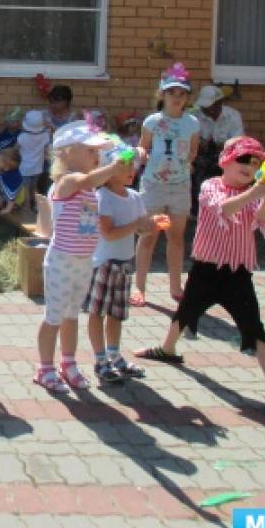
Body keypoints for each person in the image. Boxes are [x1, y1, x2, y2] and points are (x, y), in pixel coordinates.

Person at [136, 136, 265, 417]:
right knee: (185, 312)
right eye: (244, 159)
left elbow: (263, 217)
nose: (250, 166)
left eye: (257, 162)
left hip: (237, 273)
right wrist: (257, 192)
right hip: (206, 268)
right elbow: (224, 209)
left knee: (255, 328)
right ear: (226, 161)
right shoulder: (211, 186)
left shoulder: (255, 190)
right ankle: (167, 349)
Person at [33, 121, 124, 393]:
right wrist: (112, 168)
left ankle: (68, 363)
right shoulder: (68, 181)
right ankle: (45, 367)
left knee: (72, 315)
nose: (97, 156)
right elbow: (87, 179)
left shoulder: (91, 190)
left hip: (83, 261)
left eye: (98, 151)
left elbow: (94, 182)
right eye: (91, 150)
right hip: (61, 260)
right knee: (54, 316)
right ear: (66, 153)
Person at [86, 138, 161, 384]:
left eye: (134, 166)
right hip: (105, 264)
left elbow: (140, 230)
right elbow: (108, 232)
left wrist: (151, 226)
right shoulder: (103, 197)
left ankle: (115, 355)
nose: (132, 171)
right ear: (110, 170)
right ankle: (100, 360)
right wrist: (137, 225)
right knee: (97, 313)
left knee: (116, 314)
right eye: (125, 166)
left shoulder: (134, 196)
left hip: (124, 263)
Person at [132, 63, 199, 306]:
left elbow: (193, 151)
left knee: (176, 237)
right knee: (148, 235)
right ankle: (139, 286)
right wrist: (138, 156)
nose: (177, 98)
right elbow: (144, 146)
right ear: (162, 94)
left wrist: (181, 165)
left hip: (180, 185)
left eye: (182, 93)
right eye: (172, 93)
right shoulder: (152, 121)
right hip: (154, 185)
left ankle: (175, 286)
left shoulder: (192, 123)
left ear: (187, 97)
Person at [18, 109, 50, 213]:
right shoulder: (45, 136)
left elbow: (16, 149)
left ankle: (27, 206)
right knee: (34, 186)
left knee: (26, 188)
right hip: (38, 167)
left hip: (25, 167)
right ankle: (37, 205)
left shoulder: (22, 137)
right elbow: (46, 150)